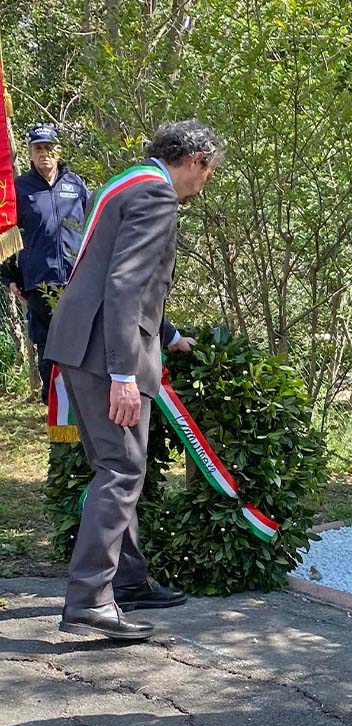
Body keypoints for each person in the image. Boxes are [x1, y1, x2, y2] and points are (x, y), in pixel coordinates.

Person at [44, 119, 223, 641]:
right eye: (207, 172)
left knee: (115, 466)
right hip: (106, 353)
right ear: (195, 161)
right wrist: (124, 372)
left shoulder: (129, 181)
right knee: (122, 469)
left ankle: (129, 579)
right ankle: (89, 600)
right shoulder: (157, 196)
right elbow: (124, 283)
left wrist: (165, 335)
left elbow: (115, 272)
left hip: (84, 340)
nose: (204, 183)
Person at [5, 125, 90, 403]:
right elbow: (5, 234)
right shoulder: (18, 189)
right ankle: (55, 411)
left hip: (77, 282)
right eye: (38, 148)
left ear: (59, 151)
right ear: (30, 153)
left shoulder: (75, 184)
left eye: (49, 148)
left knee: (83, 345)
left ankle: (84, 410)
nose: (44, 154)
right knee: (49, 348)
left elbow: (93, 227)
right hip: (40, 282)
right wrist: (10, 276)